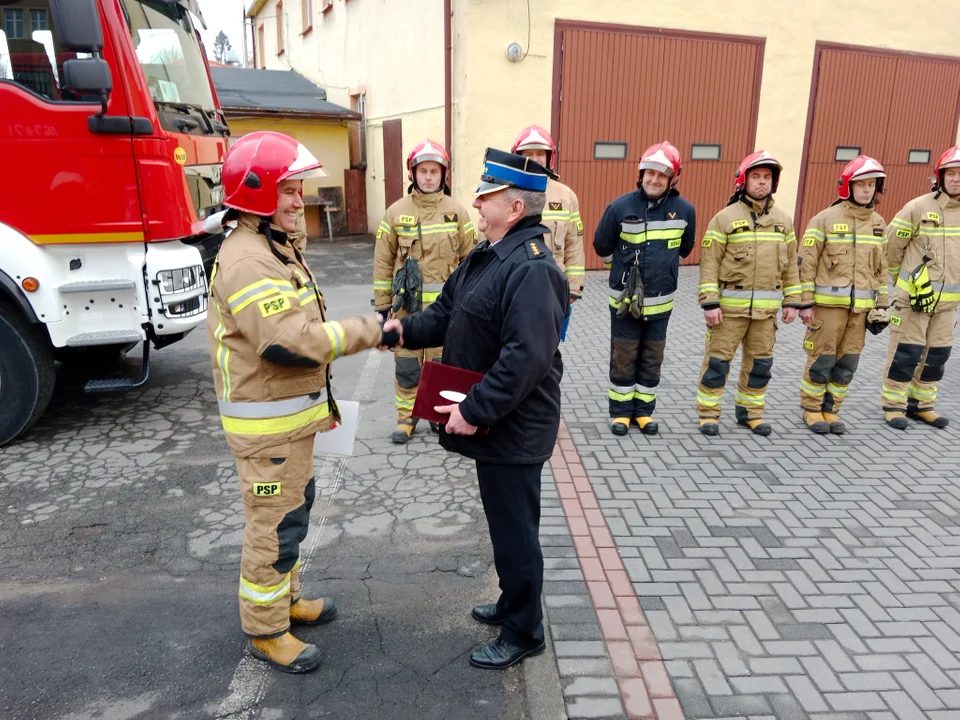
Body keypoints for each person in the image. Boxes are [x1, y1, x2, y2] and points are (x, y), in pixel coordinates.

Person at [382, 149, 568, 670]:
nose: (476, 204)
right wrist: (402, 330)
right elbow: (446, 313)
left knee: (517, 533)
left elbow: (525, 357)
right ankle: (513, 604)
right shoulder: (489, 253)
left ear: (513, 207)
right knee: (504, 526)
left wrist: (478, 408)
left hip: (515, 427)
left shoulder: (532, 270)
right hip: (498, 425)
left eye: (485, 197)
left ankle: (524, 630)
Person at [207, 131, 383, 673]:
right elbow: (290, 341)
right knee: (272, 523)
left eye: (299, 188)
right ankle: (266, 630)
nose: (297, 200)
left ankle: (285, 601)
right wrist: (372, 330)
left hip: (287, 432)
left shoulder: (269, 247)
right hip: (267, 445)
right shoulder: (248, 261)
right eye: (287, 190)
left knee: (291, 517)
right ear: (256, 193)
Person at [373, 139, 477, 444]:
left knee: (440, 367)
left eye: (434, 171)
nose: (429, 177)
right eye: (423, 171)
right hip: (406, 311)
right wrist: (382, 307)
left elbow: (472, 263)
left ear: (444, 174)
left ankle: (436, 415)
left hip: (445, 316)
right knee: (406, 367)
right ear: (412, 173)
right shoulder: (395, 213)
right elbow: (383, 262)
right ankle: (406, 420)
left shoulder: (458, 213)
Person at [695, 150, 802, 436]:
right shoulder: (724, 218)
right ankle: (708, 414)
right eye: (756, 177)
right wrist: (710, 302)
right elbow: (709, 263)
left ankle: (750, 413)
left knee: (760, 365)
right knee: (717, 363)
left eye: (767, 178)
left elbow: (791, 266)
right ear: (743, 180)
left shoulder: (783, 222)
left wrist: (793, 301)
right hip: (728, 312)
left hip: (765, 315)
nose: (762, 183)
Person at [592, 142, 696, 435]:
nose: (654, 179)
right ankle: (621, 413)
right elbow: (602, 245)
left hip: (661, 305)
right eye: (649, 173)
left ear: (673, 178)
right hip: (625, 303)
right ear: (641, 174)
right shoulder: (620, 207)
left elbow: (685, 249)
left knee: (652, 359)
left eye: (662, 175)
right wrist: (623, 269)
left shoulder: (685, 210)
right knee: (624, 357)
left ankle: (643, 413)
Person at [797, 155, 889, 434]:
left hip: (860, 312)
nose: (865, 190)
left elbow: (881, 269)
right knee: (822, 359)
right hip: (827, 308)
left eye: (871, 185)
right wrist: (805, 302)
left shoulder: (878, 223)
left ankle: (831, 410)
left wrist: (882, 305)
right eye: (860, 184)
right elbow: (806, 263)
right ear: (847, 186)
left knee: (848, 362)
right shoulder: (823, 219)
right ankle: (812, 409)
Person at [881, 145, 960, 429]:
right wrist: (901, 283)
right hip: (913, 301)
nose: (956, 178)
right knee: (906, 353)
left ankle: (921, 406)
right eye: (950, 173)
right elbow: (891, 248)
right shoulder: (918, 208)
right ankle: (894, 406)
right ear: (940, 177)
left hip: (948, 306)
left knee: (936, 357)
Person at [511, 125, 586, 303]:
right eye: (528, 154)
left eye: (540, 154)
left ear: (549, 157)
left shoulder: (565, 196)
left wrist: (573, 289)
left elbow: (573, 244)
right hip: (514, 288)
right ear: (518, 157)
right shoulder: (506, 192)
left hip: (554, 289)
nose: (535, 159)